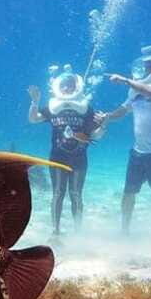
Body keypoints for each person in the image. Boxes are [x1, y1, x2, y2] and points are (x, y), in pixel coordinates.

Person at [96, 46, 151, 241]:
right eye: (145, 66)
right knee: (128, 193)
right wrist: (108, 117)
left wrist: (125, 81)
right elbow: (123, 110)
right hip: (138, 153)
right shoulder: (135, 91)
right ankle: (124, 230)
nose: (147, 69)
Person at [28, 66, 104, 240]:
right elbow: (33, 119)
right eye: (64, 85)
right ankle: (55, 232)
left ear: (76, 87)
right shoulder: (52, 107)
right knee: (58, 193)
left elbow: (95, 135)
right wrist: (35, 101)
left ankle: (78, 233)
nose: (67, 88)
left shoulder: (86, 108)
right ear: (58, 87)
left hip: (80, 158)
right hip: (57, 158)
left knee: (76, 194)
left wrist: (103, 124)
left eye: (70, 85)